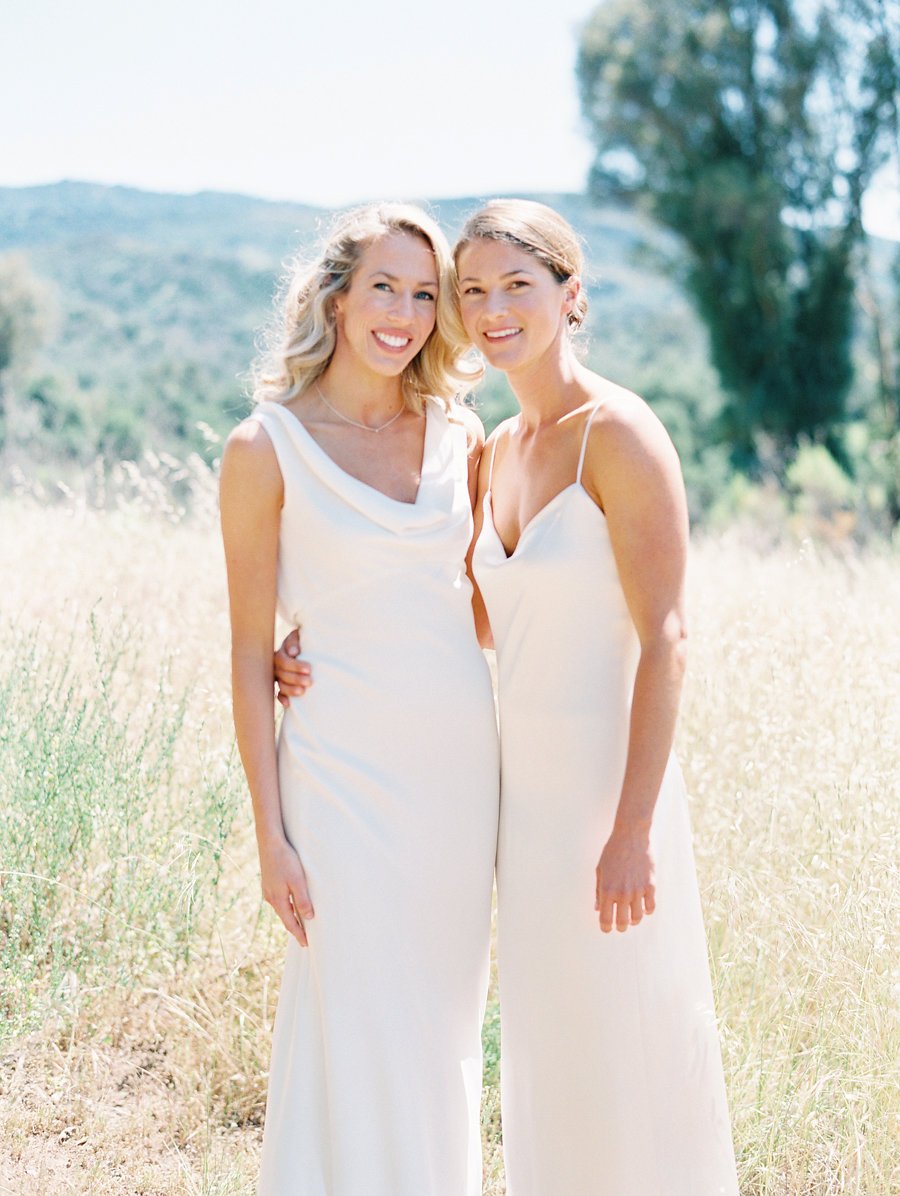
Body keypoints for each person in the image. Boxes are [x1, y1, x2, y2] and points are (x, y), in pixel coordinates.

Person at [276, 198, 739, 1194]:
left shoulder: (620, 432)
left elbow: (668, 638)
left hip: (613, 803)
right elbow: (473, 616)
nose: (492, 310)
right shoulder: (492, 451)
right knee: (548, 1055)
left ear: (571, 297)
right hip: (517, 809)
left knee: (634, 1046)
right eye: (472, 290)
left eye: (516, 286)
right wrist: (321, 640)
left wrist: (634, 827)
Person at [219, 203, 499, 1196]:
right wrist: (270, 836)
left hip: (461, 783)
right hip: (337, 784)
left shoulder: (464, 435)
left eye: (426, 294)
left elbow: (480, 608)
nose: (406, 313)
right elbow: (250, 652)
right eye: (385, 285)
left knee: (438, 1034)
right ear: (335, 296)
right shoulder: (265, 449)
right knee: (352, 1022)